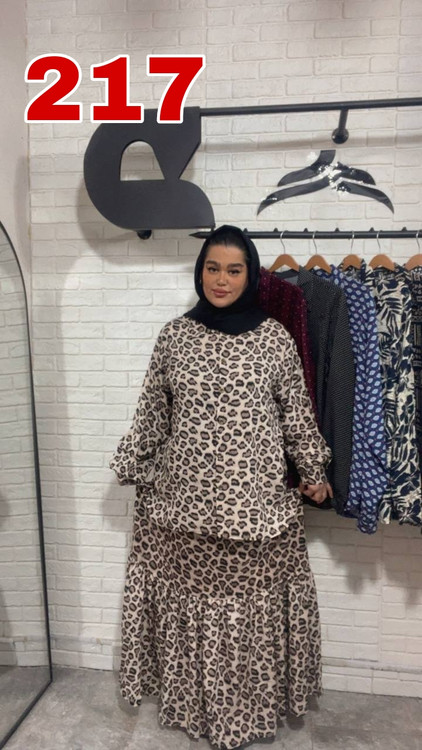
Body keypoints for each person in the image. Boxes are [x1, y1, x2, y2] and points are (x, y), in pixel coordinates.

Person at [109, 224, 333, 750]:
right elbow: (153, 414)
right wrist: (131, 462)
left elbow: (296, 415)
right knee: (193, 612)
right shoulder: (174, 337)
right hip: (182, 510)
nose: (221, 280)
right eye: (213, 268)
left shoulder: (274, 339)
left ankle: (246, 714)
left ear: (250, 276)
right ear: (200, 271)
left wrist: (313, 472)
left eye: (234, 270)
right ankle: (196, 709)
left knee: (247, 617)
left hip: (256, 511)